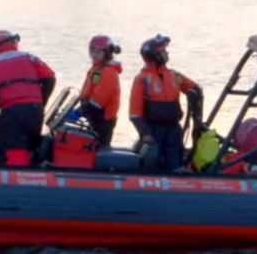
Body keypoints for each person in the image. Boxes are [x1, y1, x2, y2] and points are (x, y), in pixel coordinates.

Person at [0, 29, 57, 167]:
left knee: (15, 152)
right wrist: (41, 101)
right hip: (35, 112)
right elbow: (49, 78)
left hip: (13, 114)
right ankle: (37, 178)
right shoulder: (30, 58)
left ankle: (18, 182)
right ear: (14, 42)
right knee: (30, 148)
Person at [128, 35, 204, 173]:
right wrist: (145, 133)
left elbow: (193, 87)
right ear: (155, 56)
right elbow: (135, 112)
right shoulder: (142, 79)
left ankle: (178, 182)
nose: (166, 53)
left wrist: (194, 93)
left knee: (176, 161)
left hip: (173, 128)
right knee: (152, 162)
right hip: (153, 131)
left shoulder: (174, 75)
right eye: (163, 51)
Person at [77, 35, 122, 146]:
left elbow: (99, 99)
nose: (95, 55)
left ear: (107, 53)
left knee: (99, 148)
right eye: (93, 51)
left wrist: (79, 111)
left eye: (99, 52)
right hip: (95, 115)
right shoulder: (97, 69)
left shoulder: (108, 72)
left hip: (103, 118)